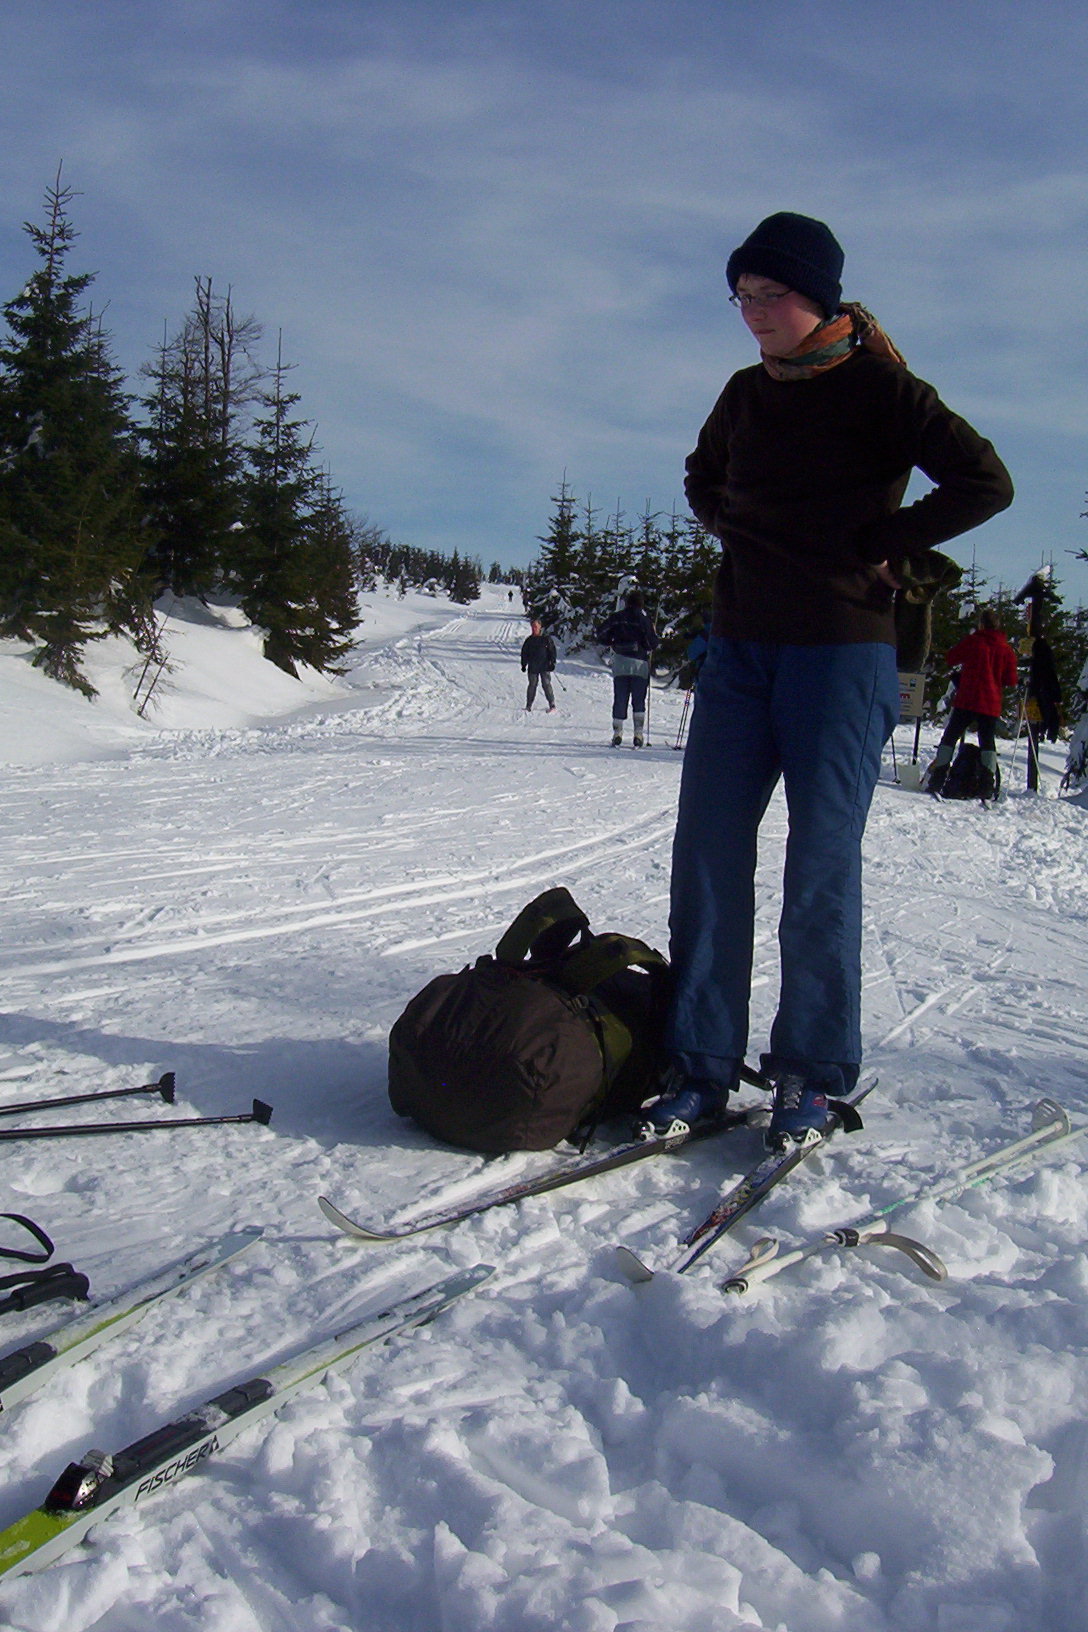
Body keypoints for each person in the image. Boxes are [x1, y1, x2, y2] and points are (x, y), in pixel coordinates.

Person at [645, 210, 1014, 1147]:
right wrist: (726, 518)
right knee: (708, 855)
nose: (753, 312)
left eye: (770, 295)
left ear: (818, 295)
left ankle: (808, 1075)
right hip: (739, 651)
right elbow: (701, 472)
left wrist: (882, 541)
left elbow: (985, 481)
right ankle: (699, 1065)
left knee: (818, 867)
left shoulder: (883, 389)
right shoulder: (742, 393)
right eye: (742, 296)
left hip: (842, 655)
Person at [928, 609, 1018, 799]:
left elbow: (951, 658)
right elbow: (1010, 680)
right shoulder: (1006, 649)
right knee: (987, 742)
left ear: (981, 624)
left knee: (950, 737)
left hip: (968, 698)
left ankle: (938, 778)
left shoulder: (974, 641)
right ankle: (987, 784)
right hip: (990, 703)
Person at [595, 590, 659, 747]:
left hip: (620, 661)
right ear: (641, 604)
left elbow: (601, 633)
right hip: (639, 663)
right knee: (639, 699)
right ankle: (638, 734)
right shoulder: (644, 620)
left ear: (626, 602)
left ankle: (617, 732)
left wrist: (611, 641)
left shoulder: (617, 618)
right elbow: (653, 644)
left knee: (620, 697)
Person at [520, 618, 557, 712]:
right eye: (532, 627)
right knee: (532, 685)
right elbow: (524, 653)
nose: (534, 629)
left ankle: (552, 704)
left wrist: (552, 662)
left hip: (544, 666)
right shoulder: (529, 640)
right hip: (533, 666)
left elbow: (552, 651)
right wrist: (524, 664)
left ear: (540, 627)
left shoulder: (546, 639)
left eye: (536, 627)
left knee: (546, 684)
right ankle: (529, 705)